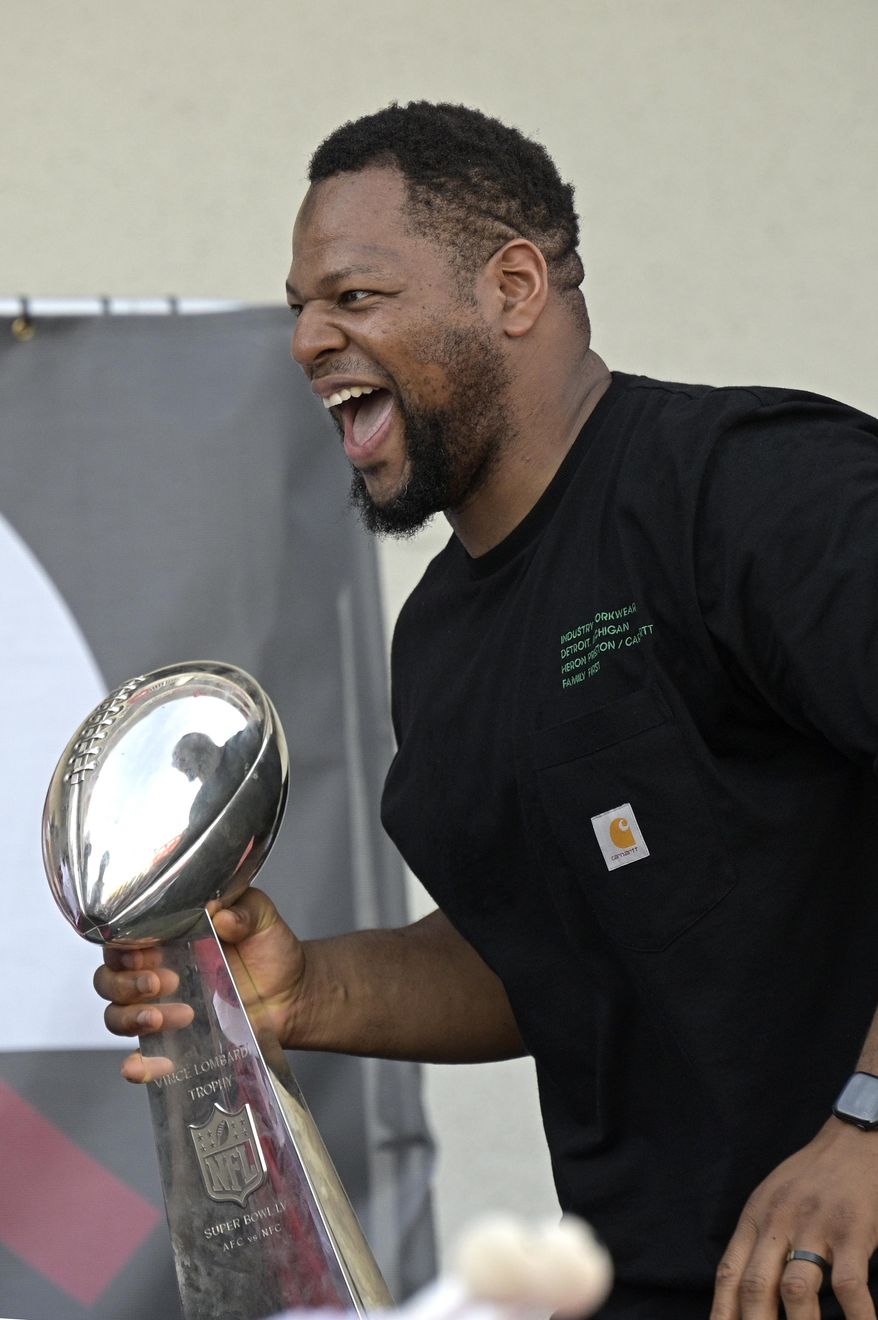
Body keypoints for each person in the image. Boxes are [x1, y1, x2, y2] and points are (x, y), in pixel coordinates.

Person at [94, 102, 878, 1320]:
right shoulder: (443, 642)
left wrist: (867, 1122)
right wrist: (307, 994)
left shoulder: (753, 489)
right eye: (300, 306)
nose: (306, 339)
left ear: (512, 285)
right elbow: (541, 949)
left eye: (351, 296)